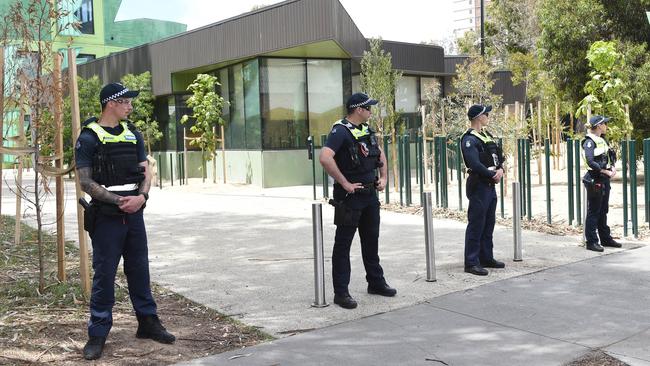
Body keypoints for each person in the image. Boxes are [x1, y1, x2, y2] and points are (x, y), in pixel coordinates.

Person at [75, 83, 175, 360]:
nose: (130, 107)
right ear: (111, 103)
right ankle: (98, 332)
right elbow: (85, 181)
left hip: (135, 213)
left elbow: (146, 171)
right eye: (126, 102)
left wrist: (141, 197)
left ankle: (148, 322)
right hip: (107, 216)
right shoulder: (89, 137)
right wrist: (120, 201)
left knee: (139, 268)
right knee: (105, 274)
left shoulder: (133, 134)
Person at [319, 92, 396, 309]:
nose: (371, 111)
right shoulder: (340, 131)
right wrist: (344, 183)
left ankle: (376, 282)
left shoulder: (366, 130)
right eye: (369, 107)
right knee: (343, 245)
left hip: (370, 195)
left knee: (371, 241)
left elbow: (379, 155)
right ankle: (341, 292)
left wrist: (383, 178)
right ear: (359, 109)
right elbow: (325, 157)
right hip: (350, 198)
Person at [460, 104, 506, 276]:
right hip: (479, 184)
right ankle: (471, 262)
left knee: (488, 223)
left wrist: (501, 169)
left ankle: (486, 257)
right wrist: (491, 173)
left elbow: (498, 157)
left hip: (490, 185)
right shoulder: (469, 139)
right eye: (486, 114)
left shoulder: (486, 136)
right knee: (476, 224)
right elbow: (474, 163)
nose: (488, 116)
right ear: (479, 117)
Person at [582, 115, 621, 252]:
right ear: (599, 126)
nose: (606, 126)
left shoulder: (602, 140)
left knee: (603, 210)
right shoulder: (589, 142)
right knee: (594, 211)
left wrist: (613, 167)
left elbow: (609, 156)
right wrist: (605, 171)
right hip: (594, 179)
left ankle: (605, 238)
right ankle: (591, 242)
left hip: (604, 178)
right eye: (605, 123)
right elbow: (590, 161)